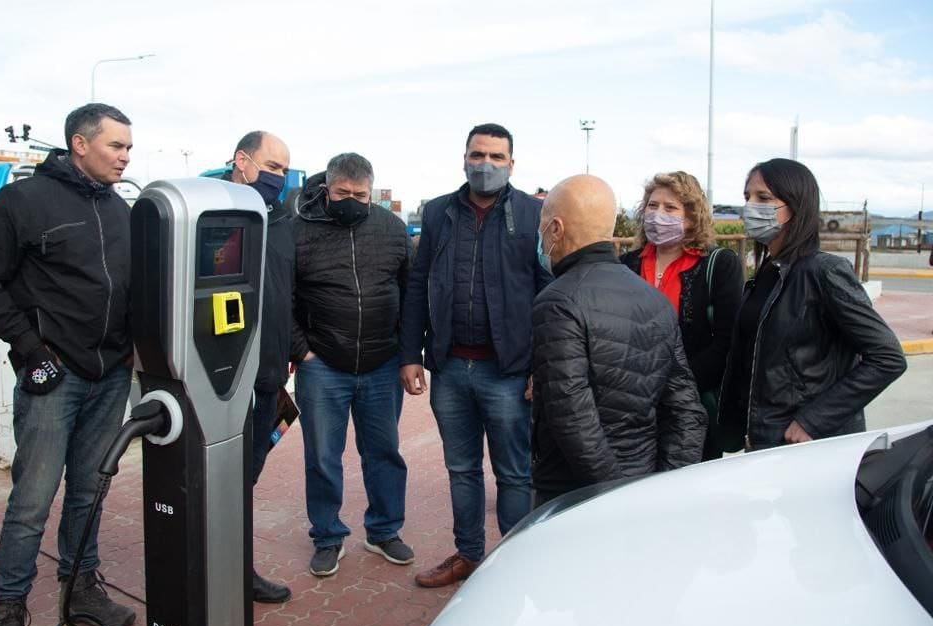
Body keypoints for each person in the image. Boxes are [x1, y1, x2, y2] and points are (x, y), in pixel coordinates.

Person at [0, 103, 136, 626]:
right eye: (116, 146)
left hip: (110, 376)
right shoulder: (24, 202)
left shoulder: (121, 209)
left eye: (129, 147)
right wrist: (32, 350)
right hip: (53, 378)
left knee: (90, 492)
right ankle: (6, 613)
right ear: (80, 144)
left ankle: (81, 590)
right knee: (32, 502)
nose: (125, 156)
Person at [401, 123, 552, 588]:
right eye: (477, 155)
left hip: (508, 372)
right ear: (464, 157)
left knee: (513, 471)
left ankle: (513, 562)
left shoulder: (533, 214)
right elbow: (418, 280)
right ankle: (468, 554)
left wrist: (540, 368)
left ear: (512, 162)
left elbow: (550, 293)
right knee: (461, 468)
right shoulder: (441, 211)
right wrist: (410, 353)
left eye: (495, 157)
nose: (485, 164)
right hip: (450, 368)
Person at [531, 175, 706, 506]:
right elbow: (686, 408)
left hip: (574, 491)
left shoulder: (557, 302)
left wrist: (615, 496)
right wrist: (666, 485)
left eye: (541, 226)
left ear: (556, 228)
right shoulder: (653, 299)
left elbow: (572, 419)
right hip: (642, 475)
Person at [719, 158, 906, 451]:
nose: (750, 207)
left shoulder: (824, 272)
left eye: (763, 198)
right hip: (763, 440)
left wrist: (814, 420)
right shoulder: (766, 274)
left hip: (808, 447)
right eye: (747, 198)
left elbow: (887, 357)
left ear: (796, 205)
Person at [290, 152, 414, 577]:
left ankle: (384, 530)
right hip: (322, 363)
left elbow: (410, 290)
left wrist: (408, 352)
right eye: (343, 193)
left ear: (371, 192)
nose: (352, 200)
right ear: (328, 188)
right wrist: (300, 349)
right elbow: (280, 296)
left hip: (381, 363)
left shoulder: (392, 229)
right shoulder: (299, 230)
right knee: (323, 455)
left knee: (384, 452)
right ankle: (327, 536)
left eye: (361, 195)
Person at [620, 171, 744, 460]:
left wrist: (673, 385)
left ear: (691, 216)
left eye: (670, 208)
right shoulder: (626, 264)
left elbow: (727, 340)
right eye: (652, 206)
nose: (657, 214)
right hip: (633, 407)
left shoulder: (719, 264)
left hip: (693, 405)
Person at [221, 131, 294, 603]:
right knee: (214, 480)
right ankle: (207, 571)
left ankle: (236, 570)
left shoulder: (284, 221)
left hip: (269, 377)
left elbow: (292, 290)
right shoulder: (210, 213)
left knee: (245, 479)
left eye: (285, 170)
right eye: (271, 166)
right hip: (220, 380)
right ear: (242, 161)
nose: (278, 178)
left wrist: (294, 348)